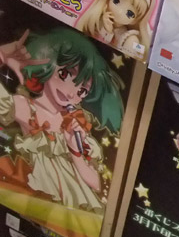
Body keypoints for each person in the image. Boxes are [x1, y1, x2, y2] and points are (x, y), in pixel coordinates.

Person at [0, 28, 124, 212]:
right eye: (65, 75)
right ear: (48, 62)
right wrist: (3, 54)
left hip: (80, 209)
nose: (72, 93)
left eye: (83, 91)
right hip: (41, 199)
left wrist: (75, 152)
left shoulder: (77, 122)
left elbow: (96, 183)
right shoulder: (27, 108)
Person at [77, 0, 154, 60]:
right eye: (115, 0)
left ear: (136, 20)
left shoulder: (129, 38)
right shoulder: (96, 19)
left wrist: (109, 32)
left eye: (130, 14)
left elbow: (115, 58)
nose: (119, 11)